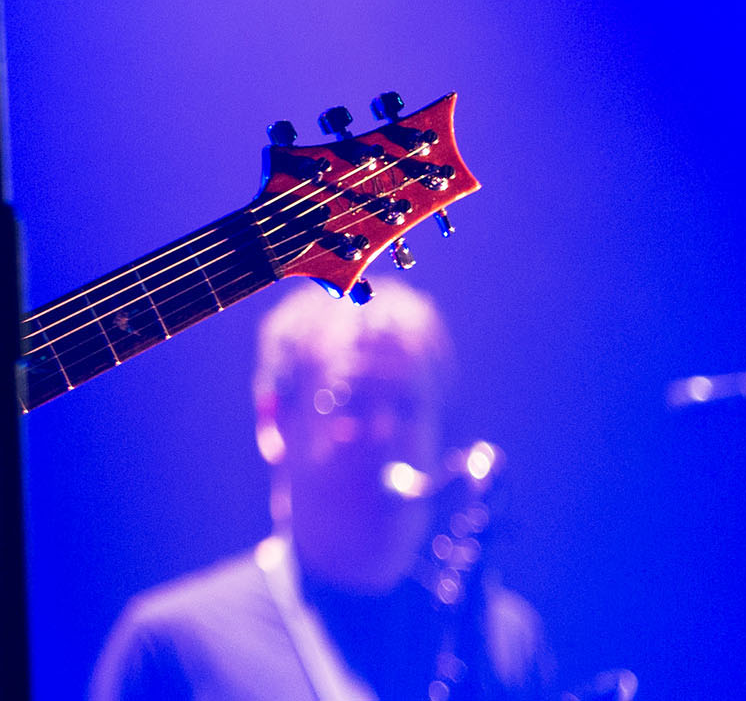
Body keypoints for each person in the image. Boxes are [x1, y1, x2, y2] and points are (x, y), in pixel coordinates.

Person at [90, 283, 558, 701]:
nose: (384, 433)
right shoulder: (172, 645)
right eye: (350, 400)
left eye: (408, 406)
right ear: (274, 420)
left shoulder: (501, 638)